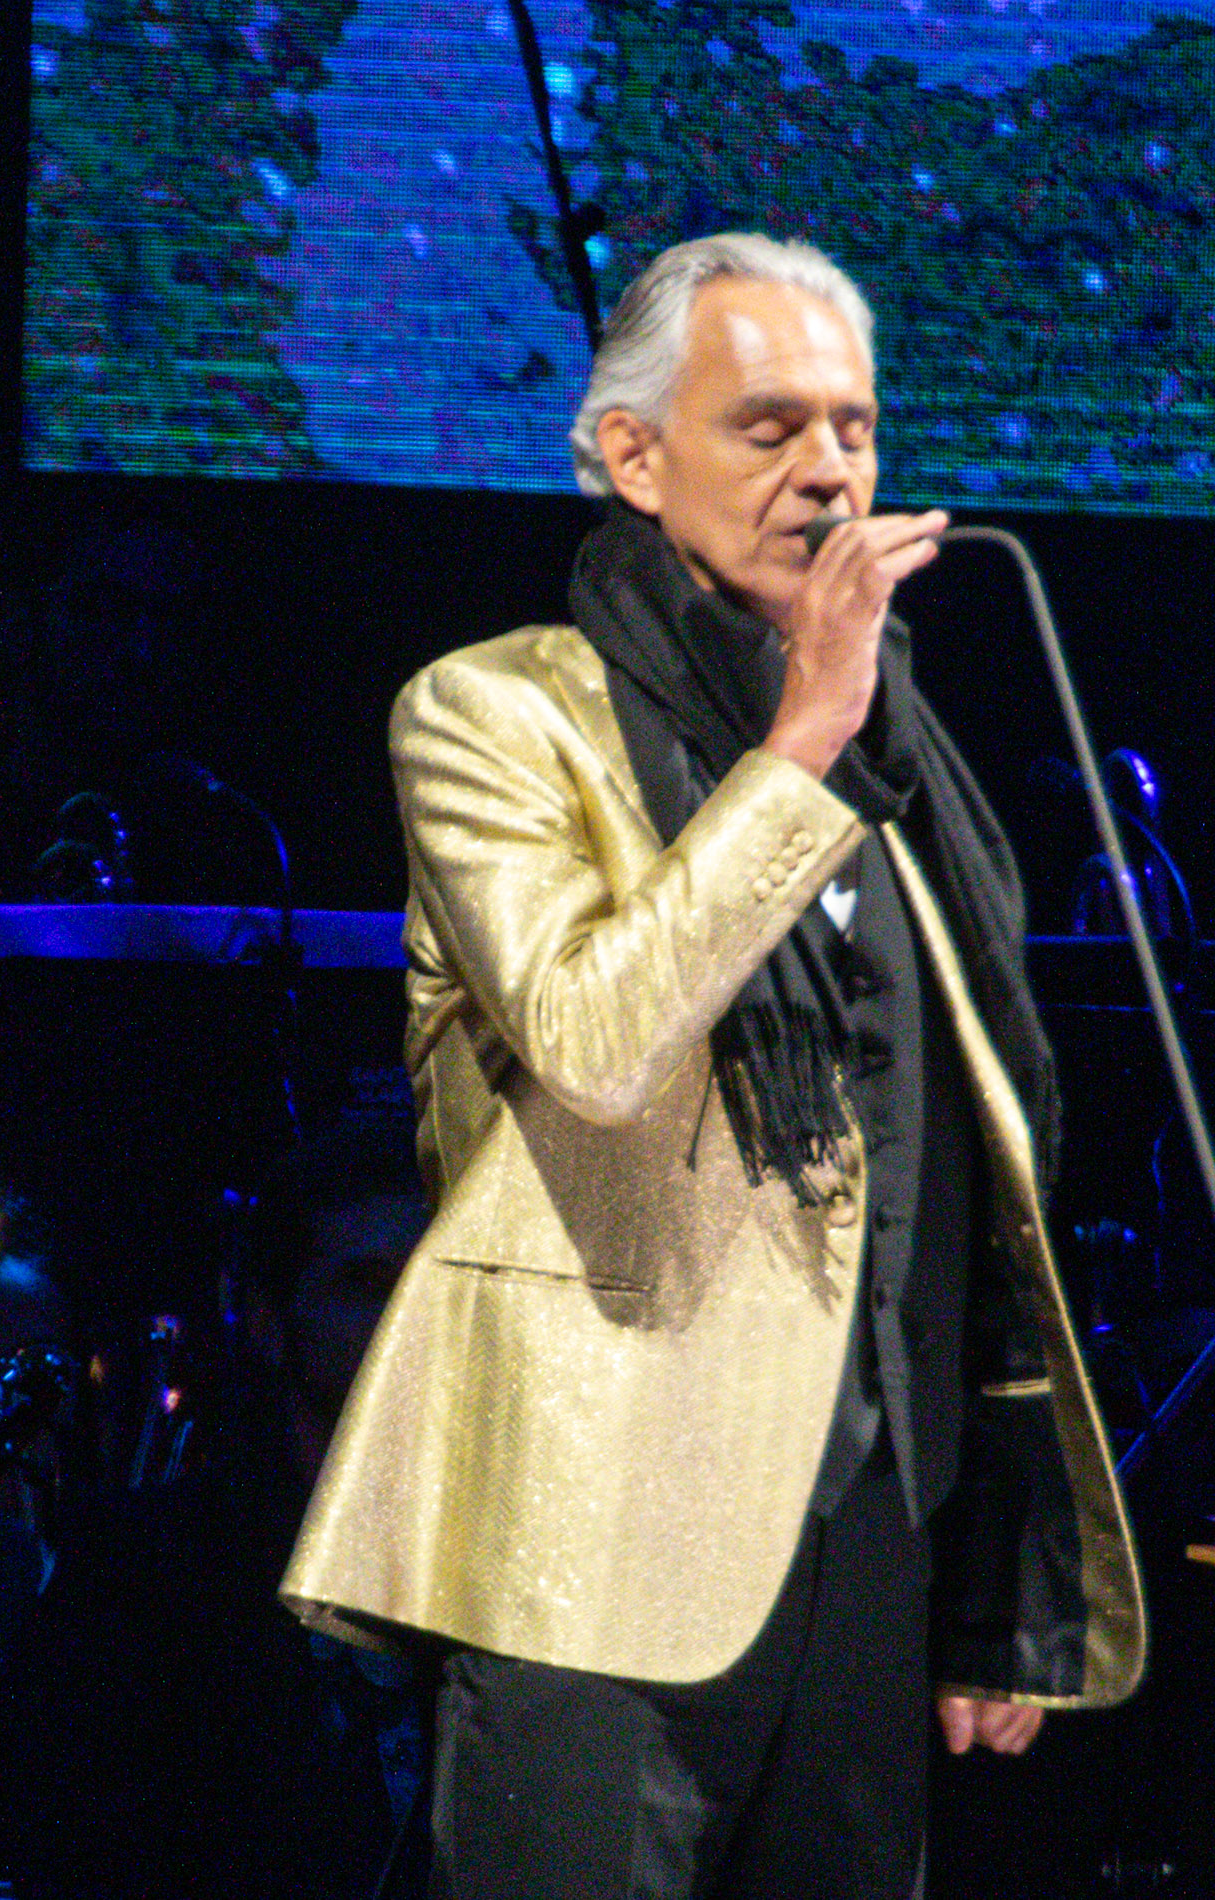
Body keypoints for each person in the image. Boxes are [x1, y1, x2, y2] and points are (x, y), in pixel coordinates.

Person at [282, 234, 1145, 1899]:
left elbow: (963, 1179)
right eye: (768, 427)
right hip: (593, 1532)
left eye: (856, 427)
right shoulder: (496, 714)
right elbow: (599, 1042)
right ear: (630, 454)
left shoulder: (909, 769)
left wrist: (987, 1564)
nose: (830, 467)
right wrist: (803, 738)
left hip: (867, 1529)